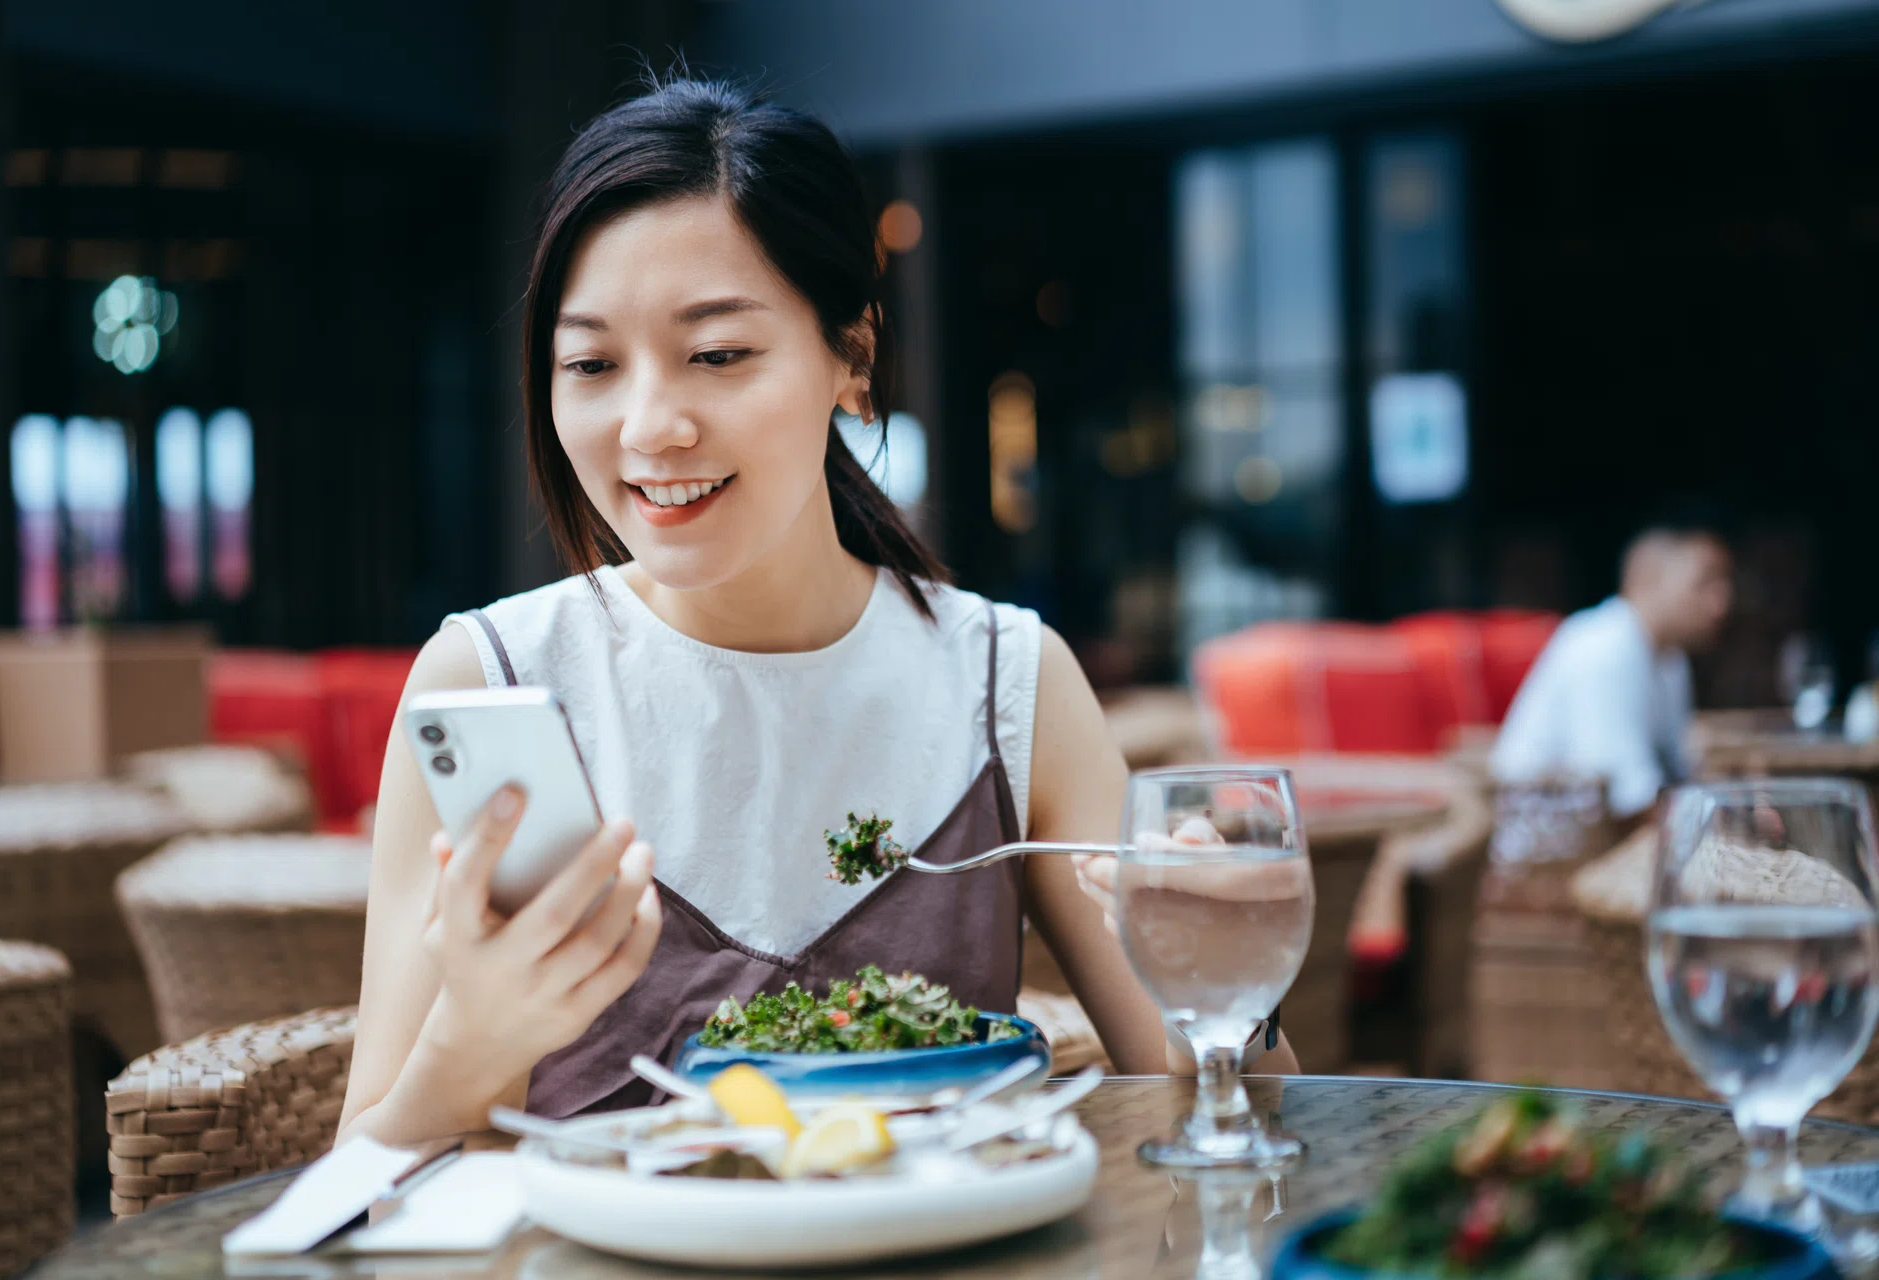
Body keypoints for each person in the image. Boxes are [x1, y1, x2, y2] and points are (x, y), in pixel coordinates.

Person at [338, 79, 1294, 1146]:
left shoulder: (1006, 681)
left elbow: (1222, 1122)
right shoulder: (494, 679)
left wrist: (1221, 972)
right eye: (593, 364)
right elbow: (358, 1185)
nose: (651, 425)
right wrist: (466, 1044)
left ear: (852, 355)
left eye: (717, 354)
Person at [1487, 513, 1734, 820]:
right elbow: (1631, 800)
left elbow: (1678, 769)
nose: (1722, 601)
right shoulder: (1604, 647)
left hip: (1601, 841)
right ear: (1647, 576)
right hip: (1549, 851)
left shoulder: (1670, 659)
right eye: (1705, 582)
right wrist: (1732, 819)